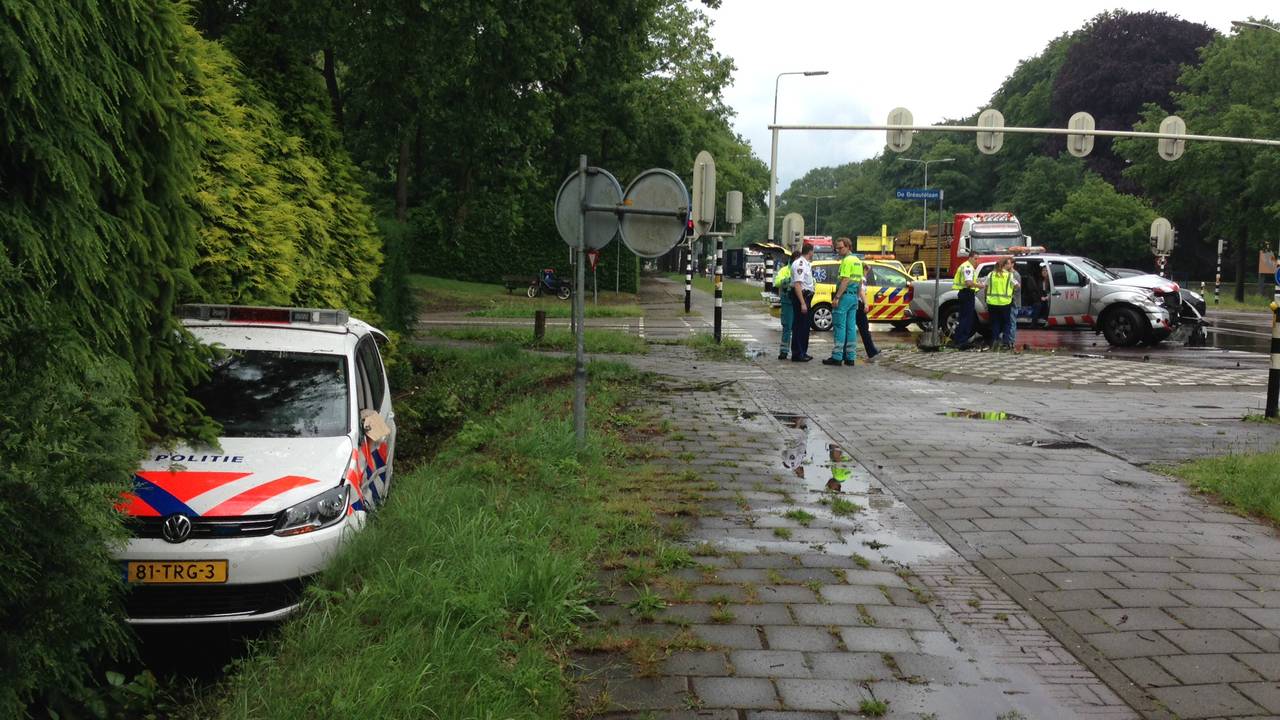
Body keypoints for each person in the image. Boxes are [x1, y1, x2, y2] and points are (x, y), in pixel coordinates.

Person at [824, 237, 863, 366]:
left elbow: (845, 280)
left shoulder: (847, 261)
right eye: (837, 248)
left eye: (840, 248)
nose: (838, 250)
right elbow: (860, 282)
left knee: (839, 326)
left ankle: (837, 356)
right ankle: (850, 357)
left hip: (845, 297)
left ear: (848, 246)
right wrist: (857, 298)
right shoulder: (858, 261)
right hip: (853, 298)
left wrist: (837, 298)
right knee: (851, 327)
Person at [950, 248, 981, 349]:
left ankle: (958, 340)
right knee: (966, 318)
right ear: (970, 257)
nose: (977, 261)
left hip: (964, 293)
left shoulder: (966, 266)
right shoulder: (968, 267)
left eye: (978, 259)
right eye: (975, 259)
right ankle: (962, 341)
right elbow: (969, 283)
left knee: (963, 318)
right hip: (967, 293)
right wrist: (980, 286)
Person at [983, 256, 1016, 350]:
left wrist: (986, 298)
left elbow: (985, 287)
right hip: (1005, 303)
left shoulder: (991, 274)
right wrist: (1012, 290)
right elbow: (1017, 285)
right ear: (1005, 265)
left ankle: (995, 341)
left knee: (995, 323)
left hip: (992, 303)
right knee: (1006, 323)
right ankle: (1006, 343)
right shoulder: (1009, 275)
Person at [790, 243, 815, 362]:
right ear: (810, 252)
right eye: (813, 252)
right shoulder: (800, 264)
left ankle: (802, 352)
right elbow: (797, 284)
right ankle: (797, 353)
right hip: (801, 296)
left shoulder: (806, 264)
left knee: (804, 326)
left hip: (806, 296)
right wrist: (802, 303)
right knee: (800, 326)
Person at [775, 251, 799, 360]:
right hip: (788, 301)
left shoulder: (804, 268)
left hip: (799, 300)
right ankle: (784, 351)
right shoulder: (785, 270)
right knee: (787, 326)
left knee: (798, 328)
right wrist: (789, 280)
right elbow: (777, 282)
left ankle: (797, 351)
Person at [855, 274, 880, 362]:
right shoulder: (861, 278)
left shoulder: (862, 278)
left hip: (857, 304)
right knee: (864, 329)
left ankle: (872, 351)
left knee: (863, 329)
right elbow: (861, 291)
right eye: (867, 270)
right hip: (858, 304)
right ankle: (872, 351)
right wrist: (865, 303)